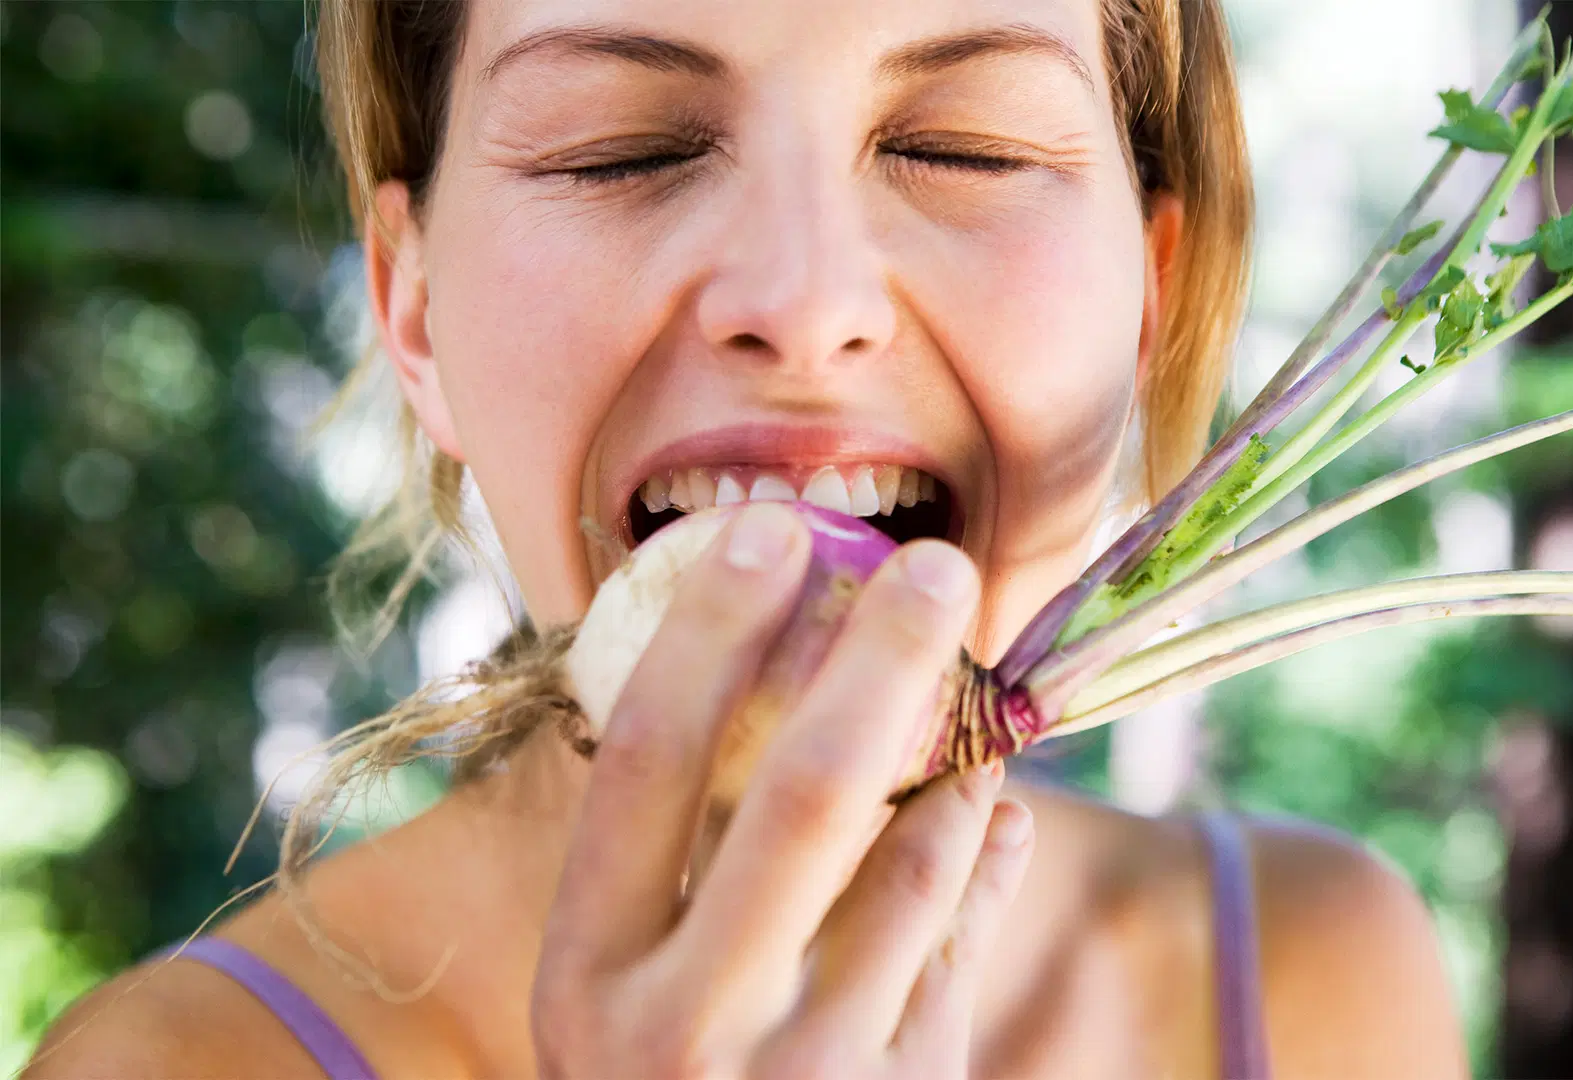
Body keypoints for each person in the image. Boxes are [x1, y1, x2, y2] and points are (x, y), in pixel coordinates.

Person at [29, 0, 1468, 1076]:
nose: (804, 297)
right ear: (414, 312)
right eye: (622, 152)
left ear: (1147, 305)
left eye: (960, 146)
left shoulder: (1317, 975)